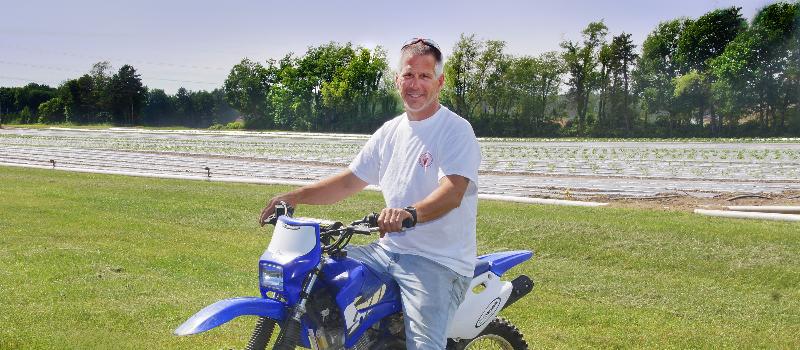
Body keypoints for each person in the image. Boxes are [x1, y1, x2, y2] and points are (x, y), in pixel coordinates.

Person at [260, 38, 481, 350]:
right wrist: (296, 196)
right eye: (408, 75)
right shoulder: (391, 131)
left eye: (424, 76)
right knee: (320, 277)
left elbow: (453, 191)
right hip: (387, 251)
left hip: (438, 260)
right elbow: (350, 180)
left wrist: (410, 213)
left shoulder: (455, 130)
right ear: (397, 80)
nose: (414, 84)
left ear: (440, 81)